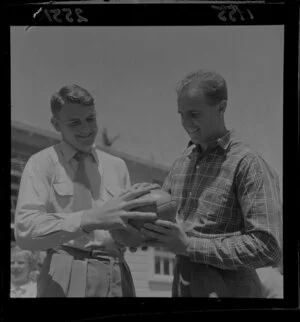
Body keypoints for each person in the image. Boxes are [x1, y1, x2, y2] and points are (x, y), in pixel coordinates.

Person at [141, 69, 283, 298]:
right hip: (181, 289)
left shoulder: (248, 164)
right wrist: (137, 222)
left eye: (194, 114)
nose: (186, 123)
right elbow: (164, 224)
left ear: (221, 107)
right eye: (181, 114)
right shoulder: (180, 164)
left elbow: (268, 247)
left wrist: (189, 247)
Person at [14, 84, 158, 297]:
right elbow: (25, 230)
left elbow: (125, 233)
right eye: (74, 122)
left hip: (115, 271)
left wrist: (143, 219)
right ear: (56, 124)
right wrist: (89, 219)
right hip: (65, 270)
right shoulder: (42, 163)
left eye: (91, 119)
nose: (86, 128)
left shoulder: (116, 166)